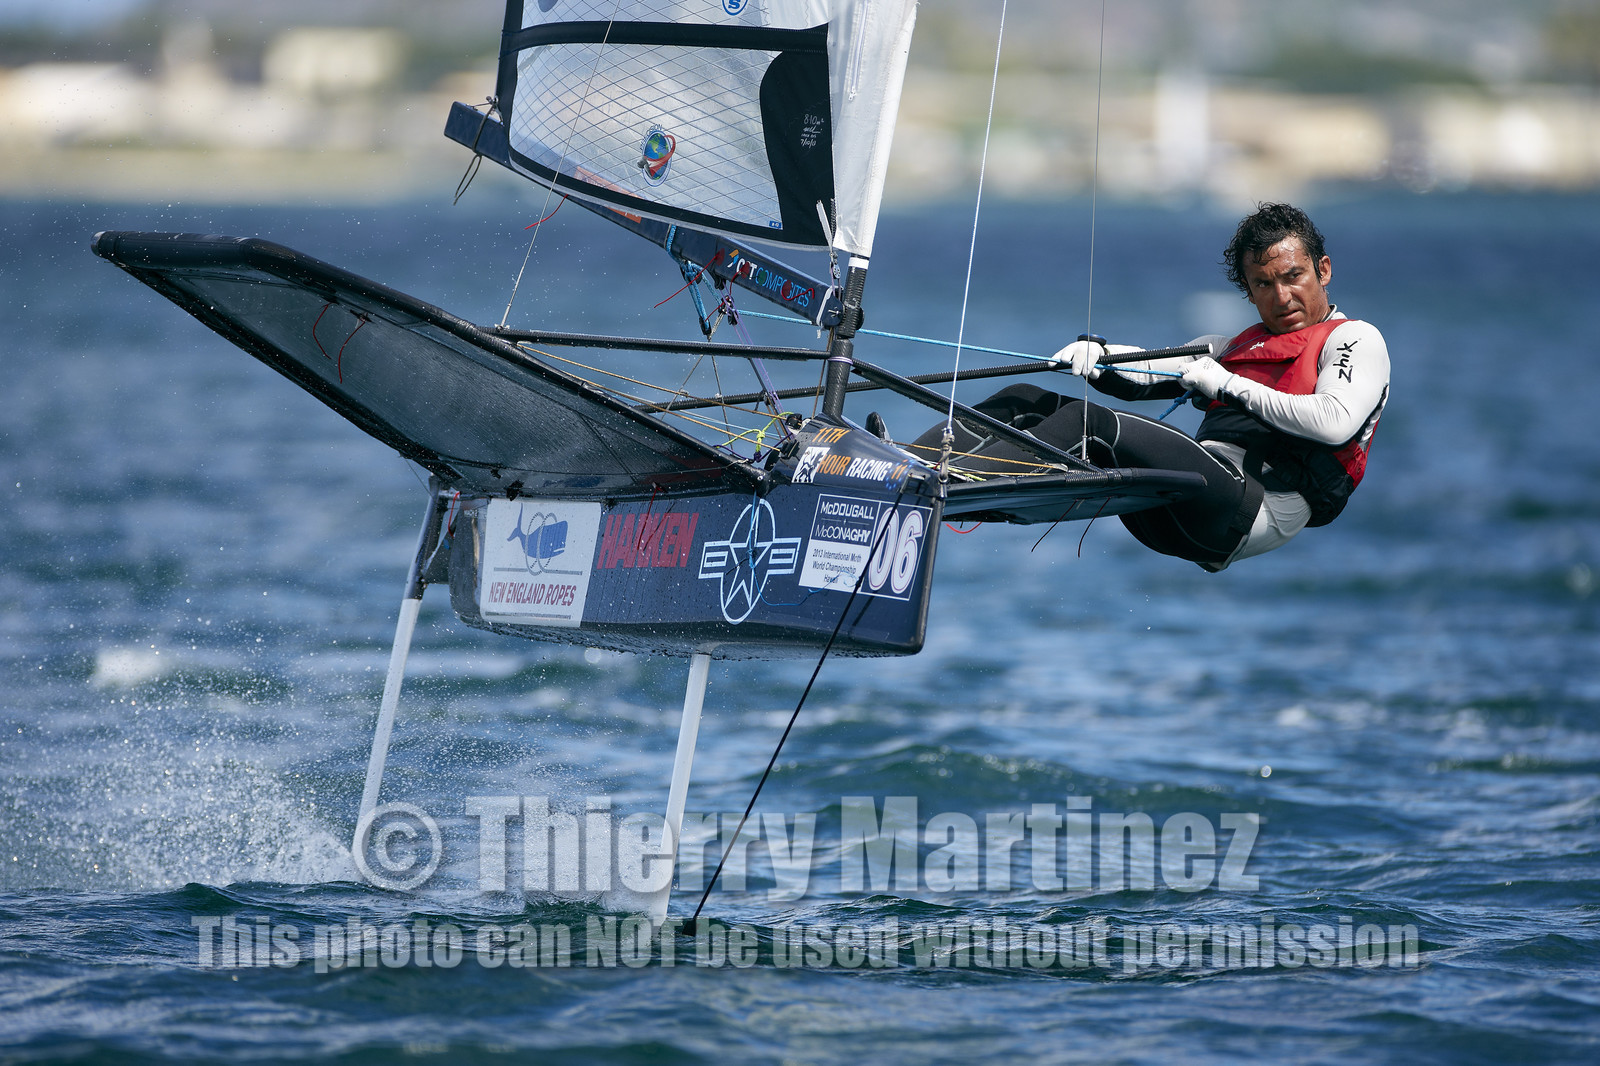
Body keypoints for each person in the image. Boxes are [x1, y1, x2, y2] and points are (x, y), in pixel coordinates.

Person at [912, 203, 1389, 571]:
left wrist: (1228, 384)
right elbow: (1148, 371)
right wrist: (1100, 359)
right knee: (1027, 399)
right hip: (1178, 501)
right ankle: (904, 470)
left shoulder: (1354, 339)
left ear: (1322, 271)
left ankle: (937, 489)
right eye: (1263, 284)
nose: (1281, 296)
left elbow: (1333, 423)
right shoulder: (1231, 347)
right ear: (1247, 289)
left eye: (1293, 277)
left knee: (1088, 424)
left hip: (1247, 509)